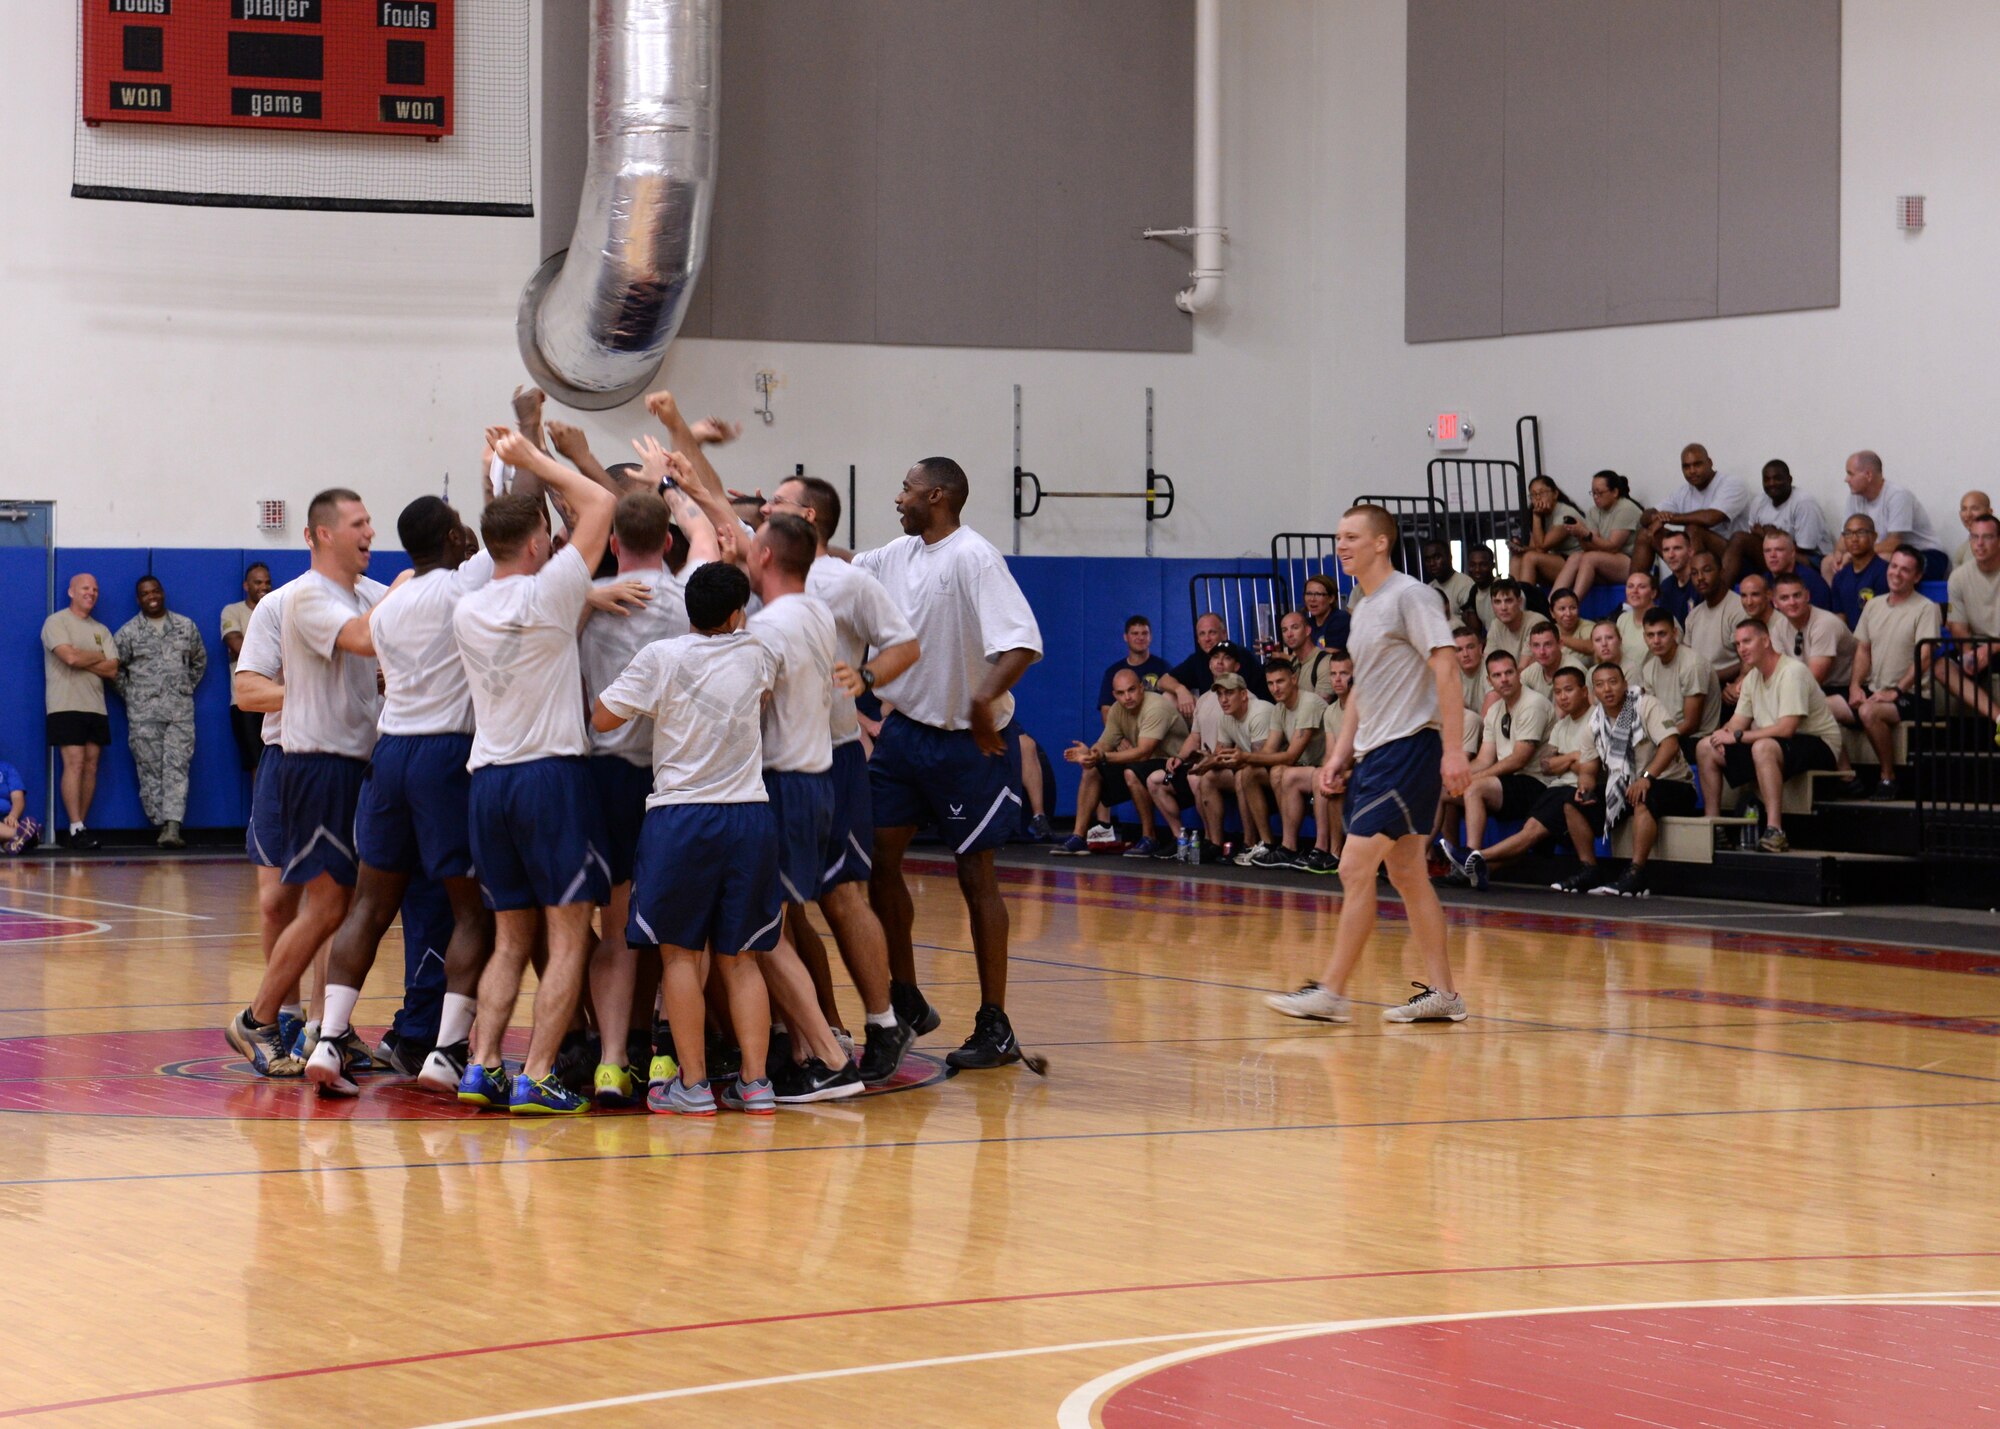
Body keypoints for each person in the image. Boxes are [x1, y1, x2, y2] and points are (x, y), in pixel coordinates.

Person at [302, 495, 497, 1100]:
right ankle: (446, 1050)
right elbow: (506, 528)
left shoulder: (387, 606)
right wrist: (507, 457)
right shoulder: (461, 587)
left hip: (390, 756)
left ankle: (330, 1039)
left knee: (369, 907)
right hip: (444, 756)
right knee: (471, 912)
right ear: (450, 537)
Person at [854, 457, 1045, 1071]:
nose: (897, 498)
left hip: (969, 744)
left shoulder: (974, 557)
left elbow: (1021, 642)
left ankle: (996, 1024)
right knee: (876, 860)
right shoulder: (896, 555)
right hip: (906, 733)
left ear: (936, 496)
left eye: (906, 488)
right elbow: (834, 563)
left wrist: (985, 699)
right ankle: (906, 996)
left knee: (976, 875)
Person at [450, 433, 617, 1115]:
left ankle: (481, 1064)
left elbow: (511, 524)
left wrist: (502, 469)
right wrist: (535, 460)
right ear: (538, 542)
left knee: (511, 937)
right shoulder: (550, 593)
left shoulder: (466, 606)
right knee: (569, 931)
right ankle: (538, 1072)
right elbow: (602, 499)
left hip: (487, 781)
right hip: (549, 775)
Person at [1267, 504, 1469, 1027]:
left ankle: (1331, 992)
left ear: (1381, 543)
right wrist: (1338, 754)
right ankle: (1444, 994)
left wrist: (1452, 750)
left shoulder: (1412, 596)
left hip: (1410, 749)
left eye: (1352, 536)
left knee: (1354, 866)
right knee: (1406, 872)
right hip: (1376, 754)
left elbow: (1446, 668)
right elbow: (1360, 691)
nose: (1342, 545)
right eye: (1338, 537)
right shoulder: (1361, 609)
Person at [593, 562, 784, 1116]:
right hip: (749, 815)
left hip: (681, 817)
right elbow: (763, 697)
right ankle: (756, 1084)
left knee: (679, 958)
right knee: (742, 959)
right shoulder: (760, 653)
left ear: (689, 612)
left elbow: (602, 719)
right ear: (737, 614)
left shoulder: (662, 656)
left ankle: (694, 1087)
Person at [766, 472, 922, 1082]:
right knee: (779, 907)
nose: (764, 506)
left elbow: (905, 644)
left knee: (842, 895)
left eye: (777, 501)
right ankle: (818, 1028)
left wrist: (868, 679)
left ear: (806, 518)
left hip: (833, 760)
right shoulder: (764, 572)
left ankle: (884, 1020)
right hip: (777, 761)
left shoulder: (849, 581)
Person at [224, 490, 386, 1078]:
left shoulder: (375, 596)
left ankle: (323, 1027)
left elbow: (388, 667)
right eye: (357, 522)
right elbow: (247, 693)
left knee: (336, 905)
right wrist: (319, 693)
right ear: (319, 534)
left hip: (354, 764)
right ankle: (273, 1016)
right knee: (284, 902)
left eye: (372, 521)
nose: (370, 530)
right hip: (294, 759)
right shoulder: (289, 601)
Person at [741, 513, 872, 1105]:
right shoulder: (817, 608)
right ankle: (804, 1049)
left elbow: (749, 701)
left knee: (758, 928)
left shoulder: (768, 629)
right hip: (816, 781)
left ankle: (828, 1056)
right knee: (780, 922)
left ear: (765, 557)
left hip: (786, 784)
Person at [1696, 620, 1841, 853]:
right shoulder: (1753, 677)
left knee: (1762, 747)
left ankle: (1775, 830)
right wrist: (1720, 736)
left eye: (1747, 641)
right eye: (1738, 644)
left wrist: (1739, 736)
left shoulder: (1792, 672)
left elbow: (1787, 729)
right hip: (1776, 743)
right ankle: (1715, 828)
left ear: (1765, 641)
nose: (1741, 648)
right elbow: (1736, 724)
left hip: (1818, 744)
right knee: (1705, 747)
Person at [1557, 661, 1699, 897]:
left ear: (1624, 684)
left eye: (1613, 682)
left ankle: (1636, 873)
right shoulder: (1595, 722)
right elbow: (1589, 768)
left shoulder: (1646, 705)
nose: (1607, 689)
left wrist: (1646, 777)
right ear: (1593, 692)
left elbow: (1670, 744)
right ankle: (1589, 869)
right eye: (1600, 685)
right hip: (1624, 786)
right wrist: (1585, 787)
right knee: (1571, 804)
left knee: (1642, 796)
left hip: (1673, 784)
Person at [1450, 666, 1594, 890]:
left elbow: (1593, 764)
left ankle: (1473, 858)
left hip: (1572, 789)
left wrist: (1567, 760)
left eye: (1569, 690)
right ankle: (1479, 868)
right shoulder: (1561, 725)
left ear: (1584, 691)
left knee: (1530, 833)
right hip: (1555, 787)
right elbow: (1547, 764)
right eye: (1558, 692)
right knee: (1529, 836)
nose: (1563, 697)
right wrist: (1574, 757)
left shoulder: (1596, 720)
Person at [112, 575, 206, 849]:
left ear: (163, 593)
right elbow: (115, 668)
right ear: (138, 599)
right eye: (144, 593)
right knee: (150, 769)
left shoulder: (185, 626)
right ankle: (160, 821)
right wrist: (132, 694)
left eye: (155, 591)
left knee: (177, 766)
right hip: (144, 714)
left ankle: (173, 826)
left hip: (179, 712)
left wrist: (184, 686)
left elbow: (199, 660)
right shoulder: (128, 632)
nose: (151, 596)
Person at [1841, 547, 1940, 799]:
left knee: (1868, 711)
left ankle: (1888, 778)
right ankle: (1845, 775)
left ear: (1916, 577)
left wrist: (1896, 691)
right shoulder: (1873, 605)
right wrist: (1854, 686)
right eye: (1893, 566)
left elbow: (1925, 656)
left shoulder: (1926, 608)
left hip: (1915, 696)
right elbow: (1863, 649)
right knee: (1820, 705)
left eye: (1905, 569)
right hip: (1874, 690)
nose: (1896, 573)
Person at [1058, 668, 1188, 858]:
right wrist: (1091, 755)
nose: (1127, 697)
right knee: (1092, 771)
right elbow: (1105, 743)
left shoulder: (1156, 706)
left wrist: (1102, 756)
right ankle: (1078, 836)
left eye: (1131, 690)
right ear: (1114, 695)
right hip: (1144, 765)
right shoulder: (1117, 710)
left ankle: (1149, 837)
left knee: (1131, 772)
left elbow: (1144, 752)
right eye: (1121, 693)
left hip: (1173, 766)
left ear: (1142, 688)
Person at [1443, 649, 1552, 861]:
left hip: (1537, 782)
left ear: (1518, 674)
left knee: (1474, 788)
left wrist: (1472, 780)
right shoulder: (1494, 711)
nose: (1504, 679)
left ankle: (1469, 858)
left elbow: (1519, 760)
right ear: (1489, 680)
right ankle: (1441, 860)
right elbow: (1484, 759)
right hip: (1509, 782)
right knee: (1444, 791)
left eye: (1509, 673)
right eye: (1497, 675)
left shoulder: (1533, 704)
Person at [41, 573, 119, 850]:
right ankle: (74, 826)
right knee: (73, 763)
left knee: (91, 765)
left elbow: (112, 669)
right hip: (65, 705)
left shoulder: (102, 629)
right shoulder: (56, 622)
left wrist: (87, 658)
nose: (91, 593)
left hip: (96, 707)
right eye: (86, 588)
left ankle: (81, 827)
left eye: (95, 589)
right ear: (71, 591)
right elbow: (69, 657)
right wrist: (97, 657)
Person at [1243, 657, 1327, 866]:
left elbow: (1291, 756)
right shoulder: (1279, 708)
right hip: (1300, 768)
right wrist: (1239, 761)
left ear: (1294, 679)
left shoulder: (1309, 703)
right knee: (1249, 773)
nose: (1275, 688)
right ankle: (1270, 843)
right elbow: (1269, 751)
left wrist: (1245, 756)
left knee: (1282, 771)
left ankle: (1290, 846)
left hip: (1322, 768)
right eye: (1270, 683)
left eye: (1280, 681)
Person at [1634, 443, 1754, 585]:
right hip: (1696, 555)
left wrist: (1669, 518)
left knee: (1693, 529)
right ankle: (1633, 598)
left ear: (1709, 463)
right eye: (1686, 467)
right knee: (1646, 534)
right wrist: (1656, 517)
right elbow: (1645, 516)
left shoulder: (1732, 484)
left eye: (1697, 465)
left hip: (1732, 559)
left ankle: (1694, 589)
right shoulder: (1683, 492)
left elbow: (1712, 517)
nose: (1692, 471)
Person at [1188, 674, 1278, 860]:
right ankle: (1215, 843)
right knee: (1209, 777)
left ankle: (1249, 843)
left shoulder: (1260, 711)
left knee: (1242, 775)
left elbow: (1260, 757)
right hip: (1247, 765)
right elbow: (1220, 755)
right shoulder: (1226, 718)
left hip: (1273, 768)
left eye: (1229, 693)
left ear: (1244, 694)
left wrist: (1216, 760)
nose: (1223, 699)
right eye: (1220, 694)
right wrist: (1207, 761)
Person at [1825, 451, 1946, 582]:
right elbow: (1845, 535)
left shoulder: (1898, 496)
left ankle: (1879, 602)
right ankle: (1840, 602)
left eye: (1850, 474)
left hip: (1926, 554)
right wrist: (1838, 553)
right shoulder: (1854, 497)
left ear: (1868, 475)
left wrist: (1855, 554)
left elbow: (1894, 543)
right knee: (1828, 563)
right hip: (1879, 552)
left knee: (1881, 560)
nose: (1846, 479)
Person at [1932, 511, 2000, 744]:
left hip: (1996, 646)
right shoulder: (1959, 577)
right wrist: (1969, 653)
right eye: (1974, 537)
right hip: (1978, 644)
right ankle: (1999, 718)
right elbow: (1958, 626)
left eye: (1987, 537)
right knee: (1941, 666)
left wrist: (1989, 650)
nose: (1979, 544)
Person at [1555, 470, 1644, 601]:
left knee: (1590, 558)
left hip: (1631, 562)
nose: (1596, 497)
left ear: (1615, 492)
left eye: (1600, 493)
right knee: (1575, 557)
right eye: (1593, 493)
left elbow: (1613, 546)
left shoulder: (1626, 508)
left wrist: (1586, 533)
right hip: (1606, 560)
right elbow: (1590, 546)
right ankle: (1551, 603)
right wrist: (1579, 534)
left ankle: (1573, 603)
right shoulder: (1593, 512)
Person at [1640, 606, 1721, 746]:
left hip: (1697, 739)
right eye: (1650, 635)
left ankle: (1648, 769)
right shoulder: (1648, 667)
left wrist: (1659, 739)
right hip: (1667, 735)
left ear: (1675, 633)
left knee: (1651, 755)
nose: (1656, 641)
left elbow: (1691, 724)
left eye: (1662, 634)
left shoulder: (1692, 664)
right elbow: (1652, 715)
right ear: (1644, 637)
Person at [1768, 573, 1857, 698]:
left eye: (1797, 595)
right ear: (1775, 603)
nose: (1792, 602)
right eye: (1784, 598)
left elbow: (1815, 679)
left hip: (1844, 690)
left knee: (1791, 711)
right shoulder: (1779, 626)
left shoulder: (1825, 623)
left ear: (1807, 596)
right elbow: (1777, 670)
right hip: (1808, 688)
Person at [1734, 459, 1831, 573]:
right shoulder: (1759, 501)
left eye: (1777, 478)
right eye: (1767, 479)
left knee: (1741, 539)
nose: (1771, 483)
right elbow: (1753, 534)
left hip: (1812, 559)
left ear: (1789, 480)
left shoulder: (1804, 503)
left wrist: (1767, 535)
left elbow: (1805, 548)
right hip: (1775, 552)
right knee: (1741, 547)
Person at [221, 562, 273, 771]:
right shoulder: (232, 611)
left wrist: (248, 650)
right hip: (245, 702)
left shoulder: (275, 610)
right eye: (258, 582)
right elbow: (236, 645)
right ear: (246, 585)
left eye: (267, 582)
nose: (264, 587)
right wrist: (273, 651)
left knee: (279, 764)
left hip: (276, 700)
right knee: (257, 765)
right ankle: (260, 806)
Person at [1682, 551, 1748, 685]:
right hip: (1699, 687)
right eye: (1694, 573)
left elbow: (1749, 660)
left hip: (1729, 686)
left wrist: (1708, 677)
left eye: (1706, 570)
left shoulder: (1739, 608)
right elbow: (1686, 660)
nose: (1700, 578)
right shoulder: (1693, 616)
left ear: (1721, 572)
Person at [1510, 475, 1587, 587]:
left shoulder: (1565, 514)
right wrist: (1520, 548)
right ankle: (1515, 599)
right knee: (1517, 559)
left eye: (1541, 493)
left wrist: (1536, 517)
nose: (1537, 498)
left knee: (1530, 557)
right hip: (1556, 559)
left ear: (1555, 494)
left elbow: (1541, 548)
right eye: (1533, 495)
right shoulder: (1541, 513)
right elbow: (1534, 547)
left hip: (1575, 561)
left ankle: (1526, 600)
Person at [1158, 612, 1229, 719]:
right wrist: (1180, 690)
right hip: (1210, 716)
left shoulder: (1240, 656)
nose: (1207, 639)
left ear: (1224, 634)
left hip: (1237, 716)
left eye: (1212, 632)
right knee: (1169, 697)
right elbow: (1162, 681)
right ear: (1198, 640)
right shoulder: (1198, 659)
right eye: (1202, 634)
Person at [1097, 615, 1171, 715]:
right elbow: (1106, 709)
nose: (1140, 637)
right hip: (1125, 727)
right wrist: (1115, 731)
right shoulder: (1113, 672)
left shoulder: (1163, 667)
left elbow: (1171, 701)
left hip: (1156, 724)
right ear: (1126, 637)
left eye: (1144, 633)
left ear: (1151, 637)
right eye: (1135, 633)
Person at [1828, 514, 1891, 628]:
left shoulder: (1885, 572)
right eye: (1848, 533)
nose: (1854, 539)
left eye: (1861, 532)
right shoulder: (1840, 577)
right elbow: (1840, 618)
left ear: (1874, 536)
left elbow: (1884, 618)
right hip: (1850, 641)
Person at [1521, 620, 1586, 698]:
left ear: (1560, 644)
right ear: (1530, 647)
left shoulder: (1575, 671)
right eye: (1536, 645)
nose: (1542, 652)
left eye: (1548, 644)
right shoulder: (1528, 674)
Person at [1482, 579, 1533, 662]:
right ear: (1492, 604)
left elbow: (1524, 668)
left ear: (1519, 602)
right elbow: (1488, 664)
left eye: (1508, 601)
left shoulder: (1535, 623)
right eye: (1497, 602)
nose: (1503, 608)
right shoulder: (1495, 624)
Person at [1653, 530, 1697, 623]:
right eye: (1666, 550)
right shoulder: (1666, 586)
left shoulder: (1701, 583)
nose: (1671, 555)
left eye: (1677, 548)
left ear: (1690, 552)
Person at [1423, 540, 1475, 618]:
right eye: (1427, 560)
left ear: (1450, 557)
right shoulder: (1429, 588)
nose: (1432, 563)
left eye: (1437, 557)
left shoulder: (1465, 584)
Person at [1299, 573, 1350, 651]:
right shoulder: (1308, 623)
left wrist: (1289, 658)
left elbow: (1329, 657)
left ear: (1331, 598)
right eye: (1309, 594)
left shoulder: (1341, 619)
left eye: (1318, 594)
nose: (1312, 599)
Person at [0, 759, 38, 854]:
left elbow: (18, 798)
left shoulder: (7, 768)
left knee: (9, 842)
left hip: (5, 820)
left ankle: (12, 843)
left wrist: (13, 816)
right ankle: (23, 834)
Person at [1549, 586, 1593, 661]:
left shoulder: (1587, 625)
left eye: (1573, 608)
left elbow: (1592, 647)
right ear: (1552, 613)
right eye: (1562, 609)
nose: (1568, 614)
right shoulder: (1549, 630)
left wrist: (1557, 637)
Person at [1954, 491, 1994, 569]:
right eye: (1964, 509)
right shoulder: (1962, 550)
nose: (1968, 514)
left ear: (1990, 512)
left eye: (1975, 508)